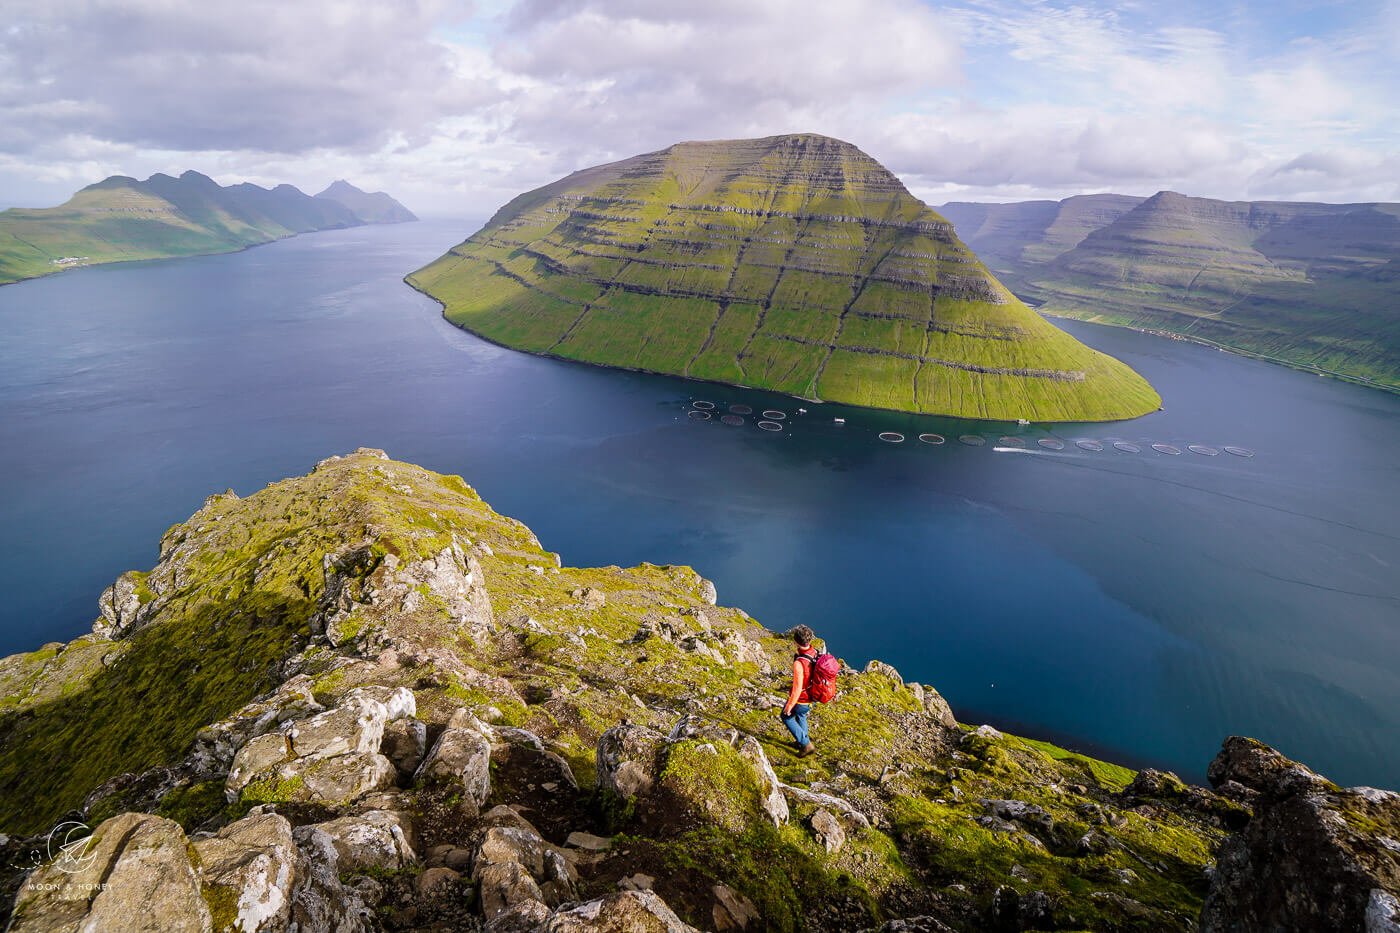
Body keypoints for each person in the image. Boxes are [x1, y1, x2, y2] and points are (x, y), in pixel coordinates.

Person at [781, 624, 818, 757]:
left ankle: (806, 744)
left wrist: (789, 706)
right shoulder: (815, 653)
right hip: (811, 696)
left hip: (801, 698)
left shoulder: (799, 663)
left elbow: (797, 688)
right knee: (801, 716)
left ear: (796, 641)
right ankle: (801, 740)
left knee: (786, 716)